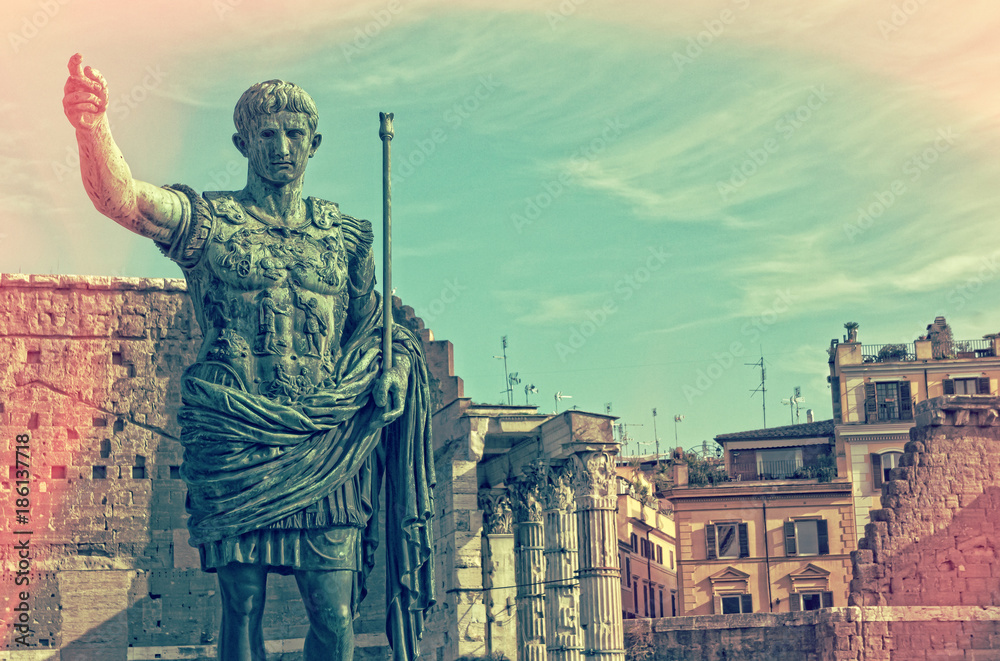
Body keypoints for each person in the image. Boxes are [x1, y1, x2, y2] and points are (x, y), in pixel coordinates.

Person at [62, 54, 434, 661]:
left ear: (314, 143)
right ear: (242, 142)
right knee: (241, 607)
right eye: (266, 134)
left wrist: (391, 371)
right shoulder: (210, 223)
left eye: (293, 134)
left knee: (334, 614)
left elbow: (375, 330)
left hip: (324, 444)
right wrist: (92, 125)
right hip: (235, 441)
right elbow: (122, 199)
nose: (281, 147)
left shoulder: (346, 239)